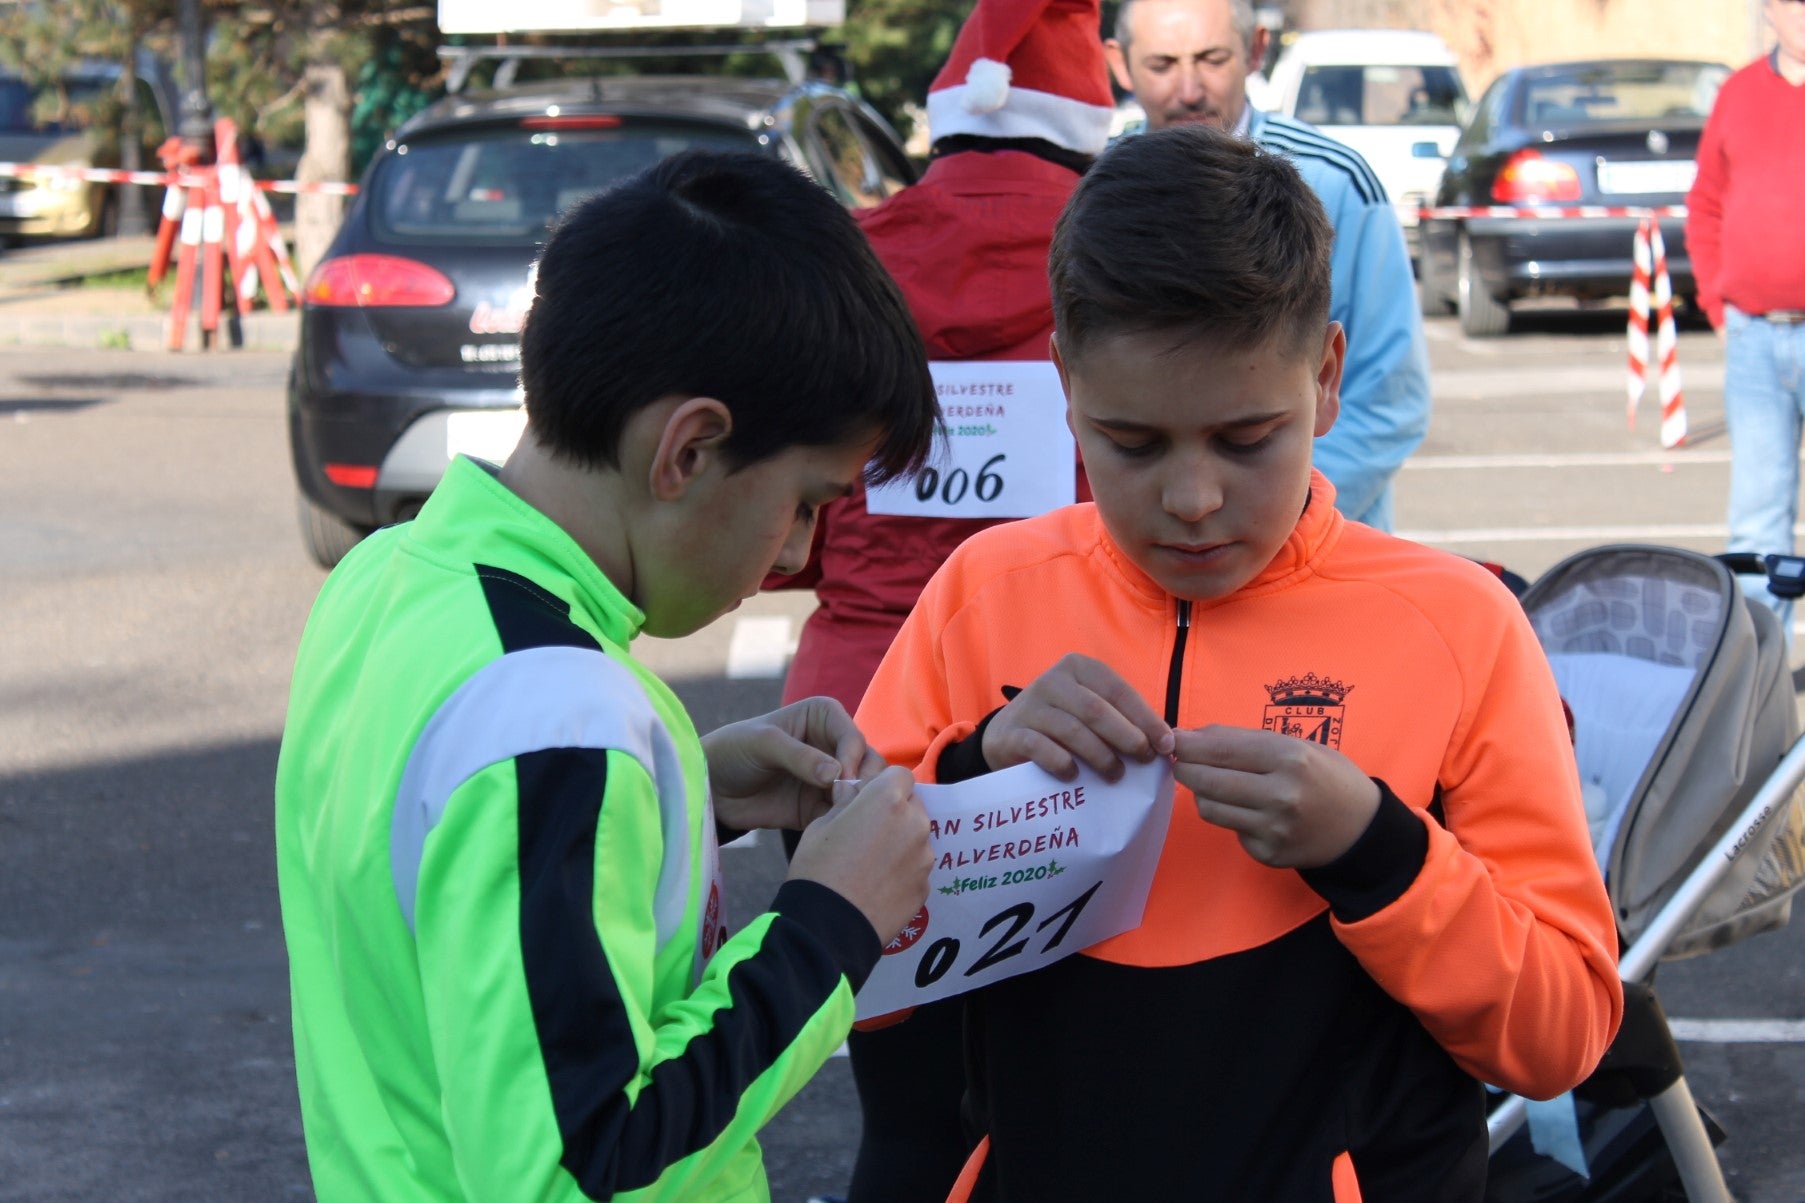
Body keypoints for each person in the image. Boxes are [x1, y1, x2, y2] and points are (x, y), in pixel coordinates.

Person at [856, 125, 1623, 1202]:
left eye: (1245, 437)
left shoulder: (1457, 624)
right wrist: (968, 778)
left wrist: (1378, 854)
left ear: (1325, 378)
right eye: (1130, 443)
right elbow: (849, 980)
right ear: (1063, 381)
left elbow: (1562, 1036)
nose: (1192, 499)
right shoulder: (984, 594)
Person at [274, 150, 941, 1203]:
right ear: (686, 450)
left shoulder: (388, 577)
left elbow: (431, 860)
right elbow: (577, 1168)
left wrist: (685, 790)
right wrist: (828, 924)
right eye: (806, 499)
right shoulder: (560, 723)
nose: (794, 556)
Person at [771, 3, 1117, 1200]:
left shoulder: (846, 260)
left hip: (843, 724)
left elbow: (780, 545)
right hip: (1054, 727)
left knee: (905, 1115)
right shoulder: (1107, 259)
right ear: (1080, 131)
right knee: (1060, 1105)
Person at [1104, 0, 1430, 532]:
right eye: (1161, 66)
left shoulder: (1335, 182)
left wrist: (1265, 517)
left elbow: (1389, 399)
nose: (1188, 89)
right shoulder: (1096, 189)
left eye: (1211, 59)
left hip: (1312, 549)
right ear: (1120, 64)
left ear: (1255, 48)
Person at [1687, 0, 1805, 637]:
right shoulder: (1737, 95)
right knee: (1758, 519)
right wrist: (1718, 302)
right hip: (1755, 338)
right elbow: (1705, 204)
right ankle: (1758, 679)